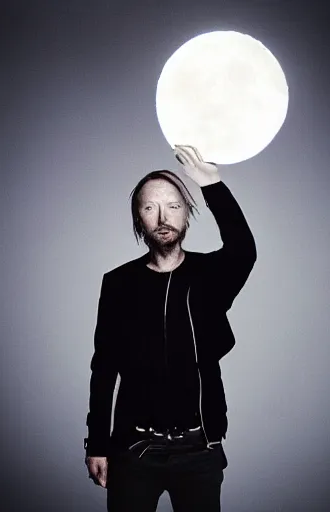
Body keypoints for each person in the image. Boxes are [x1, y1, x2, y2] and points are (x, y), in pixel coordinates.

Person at [84, 145, 257, 511]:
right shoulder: (117, 284)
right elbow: (103, 369)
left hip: (199, 449)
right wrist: (97, 443)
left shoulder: (210, 276)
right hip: (133, 452)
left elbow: (243, 249)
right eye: (150, 208)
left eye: (173, 206)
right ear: (138, 220)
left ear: (188, 215)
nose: (162, 216)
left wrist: (212, 185)